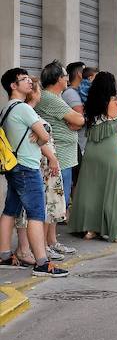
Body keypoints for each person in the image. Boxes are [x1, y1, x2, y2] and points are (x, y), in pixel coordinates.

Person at [0, 69, 65, 276]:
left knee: (10, 209)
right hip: (27, 167)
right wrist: (41, 137)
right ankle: (42, 263)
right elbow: (44, 135)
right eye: (24, 79)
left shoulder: (6, 109)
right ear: (13, 85)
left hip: (13, 166)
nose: (29, 82)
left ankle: (4, 255)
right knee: (37, 213)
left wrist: (38, 136)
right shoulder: (23, 109)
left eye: (29, 79)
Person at [68, 72, 117, 244]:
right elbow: (113, 122)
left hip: (91, 149)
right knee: (112, 189)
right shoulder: (112, 101)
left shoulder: (90, 102)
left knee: (91, 189)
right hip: (109, 150)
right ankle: (115, 231)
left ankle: (90, 229)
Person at [34, 61, 83, 255]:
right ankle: (45, 246)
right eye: (64, 76)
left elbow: (78, 121)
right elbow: (78, 119)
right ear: (56, 79)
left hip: (64, 156)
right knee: (51, 201)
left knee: (58, 203)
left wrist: (74, 122)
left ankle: (52, 241)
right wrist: (73, 122)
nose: (66, 79)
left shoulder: (57, 97)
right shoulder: (50, 98)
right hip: (58, 157)